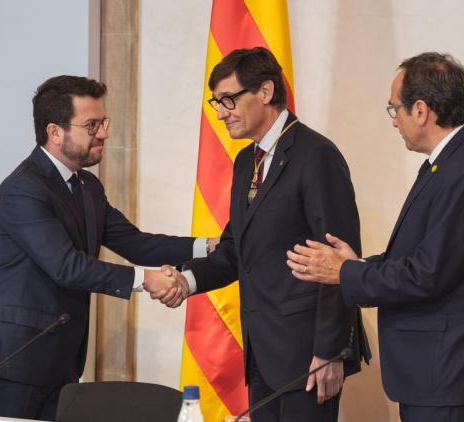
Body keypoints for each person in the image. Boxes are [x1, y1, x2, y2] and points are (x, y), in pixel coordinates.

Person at [0, 75, 210, 420]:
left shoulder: (87, 186)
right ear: (55, 132)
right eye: (91, 125)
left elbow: (135, 242)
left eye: (103, 122)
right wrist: (147, 280)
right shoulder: (23, 190)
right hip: (14, 362)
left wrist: (209, 247)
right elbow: (67, 267)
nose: (104, 133)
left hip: (59, 362)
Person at [287, 52, 464, 422]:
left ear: (421, 110)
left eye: (395, 110)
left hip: (449, 372)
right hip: (435, 371)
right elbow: (419, 257)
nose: (394, 122)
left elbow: (428, 274)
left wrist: (344, 273)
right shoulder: (450, 162)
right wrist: (355, 264)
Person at [164, 47, 370, 422]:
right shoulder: (247, 160)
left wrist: (329, 352)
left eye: (229, 99)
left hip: (308, 358)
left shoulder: (316, 155)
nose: (221, 111)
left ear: (265, 91)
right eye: (217, 102)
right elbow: (235, 250)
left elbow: (339, 259)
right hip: (262, 353)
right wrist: (186, 280)